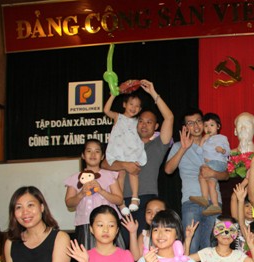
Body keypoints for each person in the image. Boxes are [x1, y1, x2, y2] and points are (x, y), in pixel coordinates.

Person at [103, 80, 174, 232]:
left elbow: (169, 117)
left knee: (144, 242)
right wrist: (125, 165)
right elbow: (104, 164)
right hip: (120, 200)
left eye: (149, 122)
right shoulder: (123, 145)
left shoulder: (158, 145)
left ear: (156, 126)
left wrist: (153, 93)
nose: (144, 125)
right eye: (141, 121)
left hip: (147, 199)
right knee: (123, 243)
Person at [165, 108, 230, 254]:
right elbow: (168, 170)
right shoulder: (178, 146)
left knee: (211, 247)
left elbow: (226, 175)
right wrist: (183, 148)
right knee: (191, 245)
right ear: (185, 127)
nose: (195, 126)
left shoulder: (214, 143)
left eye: (198, 121)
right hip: (191, 201)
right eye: (190, 123)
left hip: (214, 201)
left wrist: (213, 173)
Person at [65, 138, 124, 249]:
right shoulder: (75, 178)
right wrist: (81, 193)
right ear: (83, 155)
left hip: (107, 224)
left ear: (102, 156)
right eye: (89, 151)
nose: (93, 154)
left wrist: (101, 190)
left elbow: (119, 200)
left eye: (97, 151)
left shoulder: (109, 175)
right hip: (85, 224)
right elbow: (69, 203)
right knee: (87, 256)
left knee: (111, 256)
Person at [103, 88, 146, 215]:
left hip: (131, 150)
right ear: (124, 104)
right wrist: (112, 95)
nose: (134, 108)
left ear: (140, 109)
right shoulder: (118, 117)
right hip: (118, 151)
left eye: (137, 106)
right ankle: (120, 202)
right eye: (131, 104)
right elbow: (106, 110)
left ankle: (135, 198)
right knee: (120, 174)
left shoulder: (138, 122)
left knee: (133, 171)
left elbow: (145, 132)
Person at [188, 112, 231, 216]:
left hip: (218, 163)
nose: (208, 128)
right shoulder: (206, 140)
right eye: (206, 126)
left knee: (202, 174)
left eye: (212, 125)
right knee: (211, 183)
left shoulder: (221, 138)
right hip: (211, 163)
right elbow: (199, 152)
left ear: (218, 126)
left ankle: (204, 198)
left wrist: (223, 151)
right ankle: (215, 205)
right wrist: (202, 140)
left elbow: (229, 152)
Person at [122, 198, 166, 262]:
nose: (153, 215)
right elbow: (135, 257)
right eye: (149, 212)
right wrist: (133, 233)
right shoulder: (144, 235)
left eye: (158, 212)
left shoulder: (171, 234)